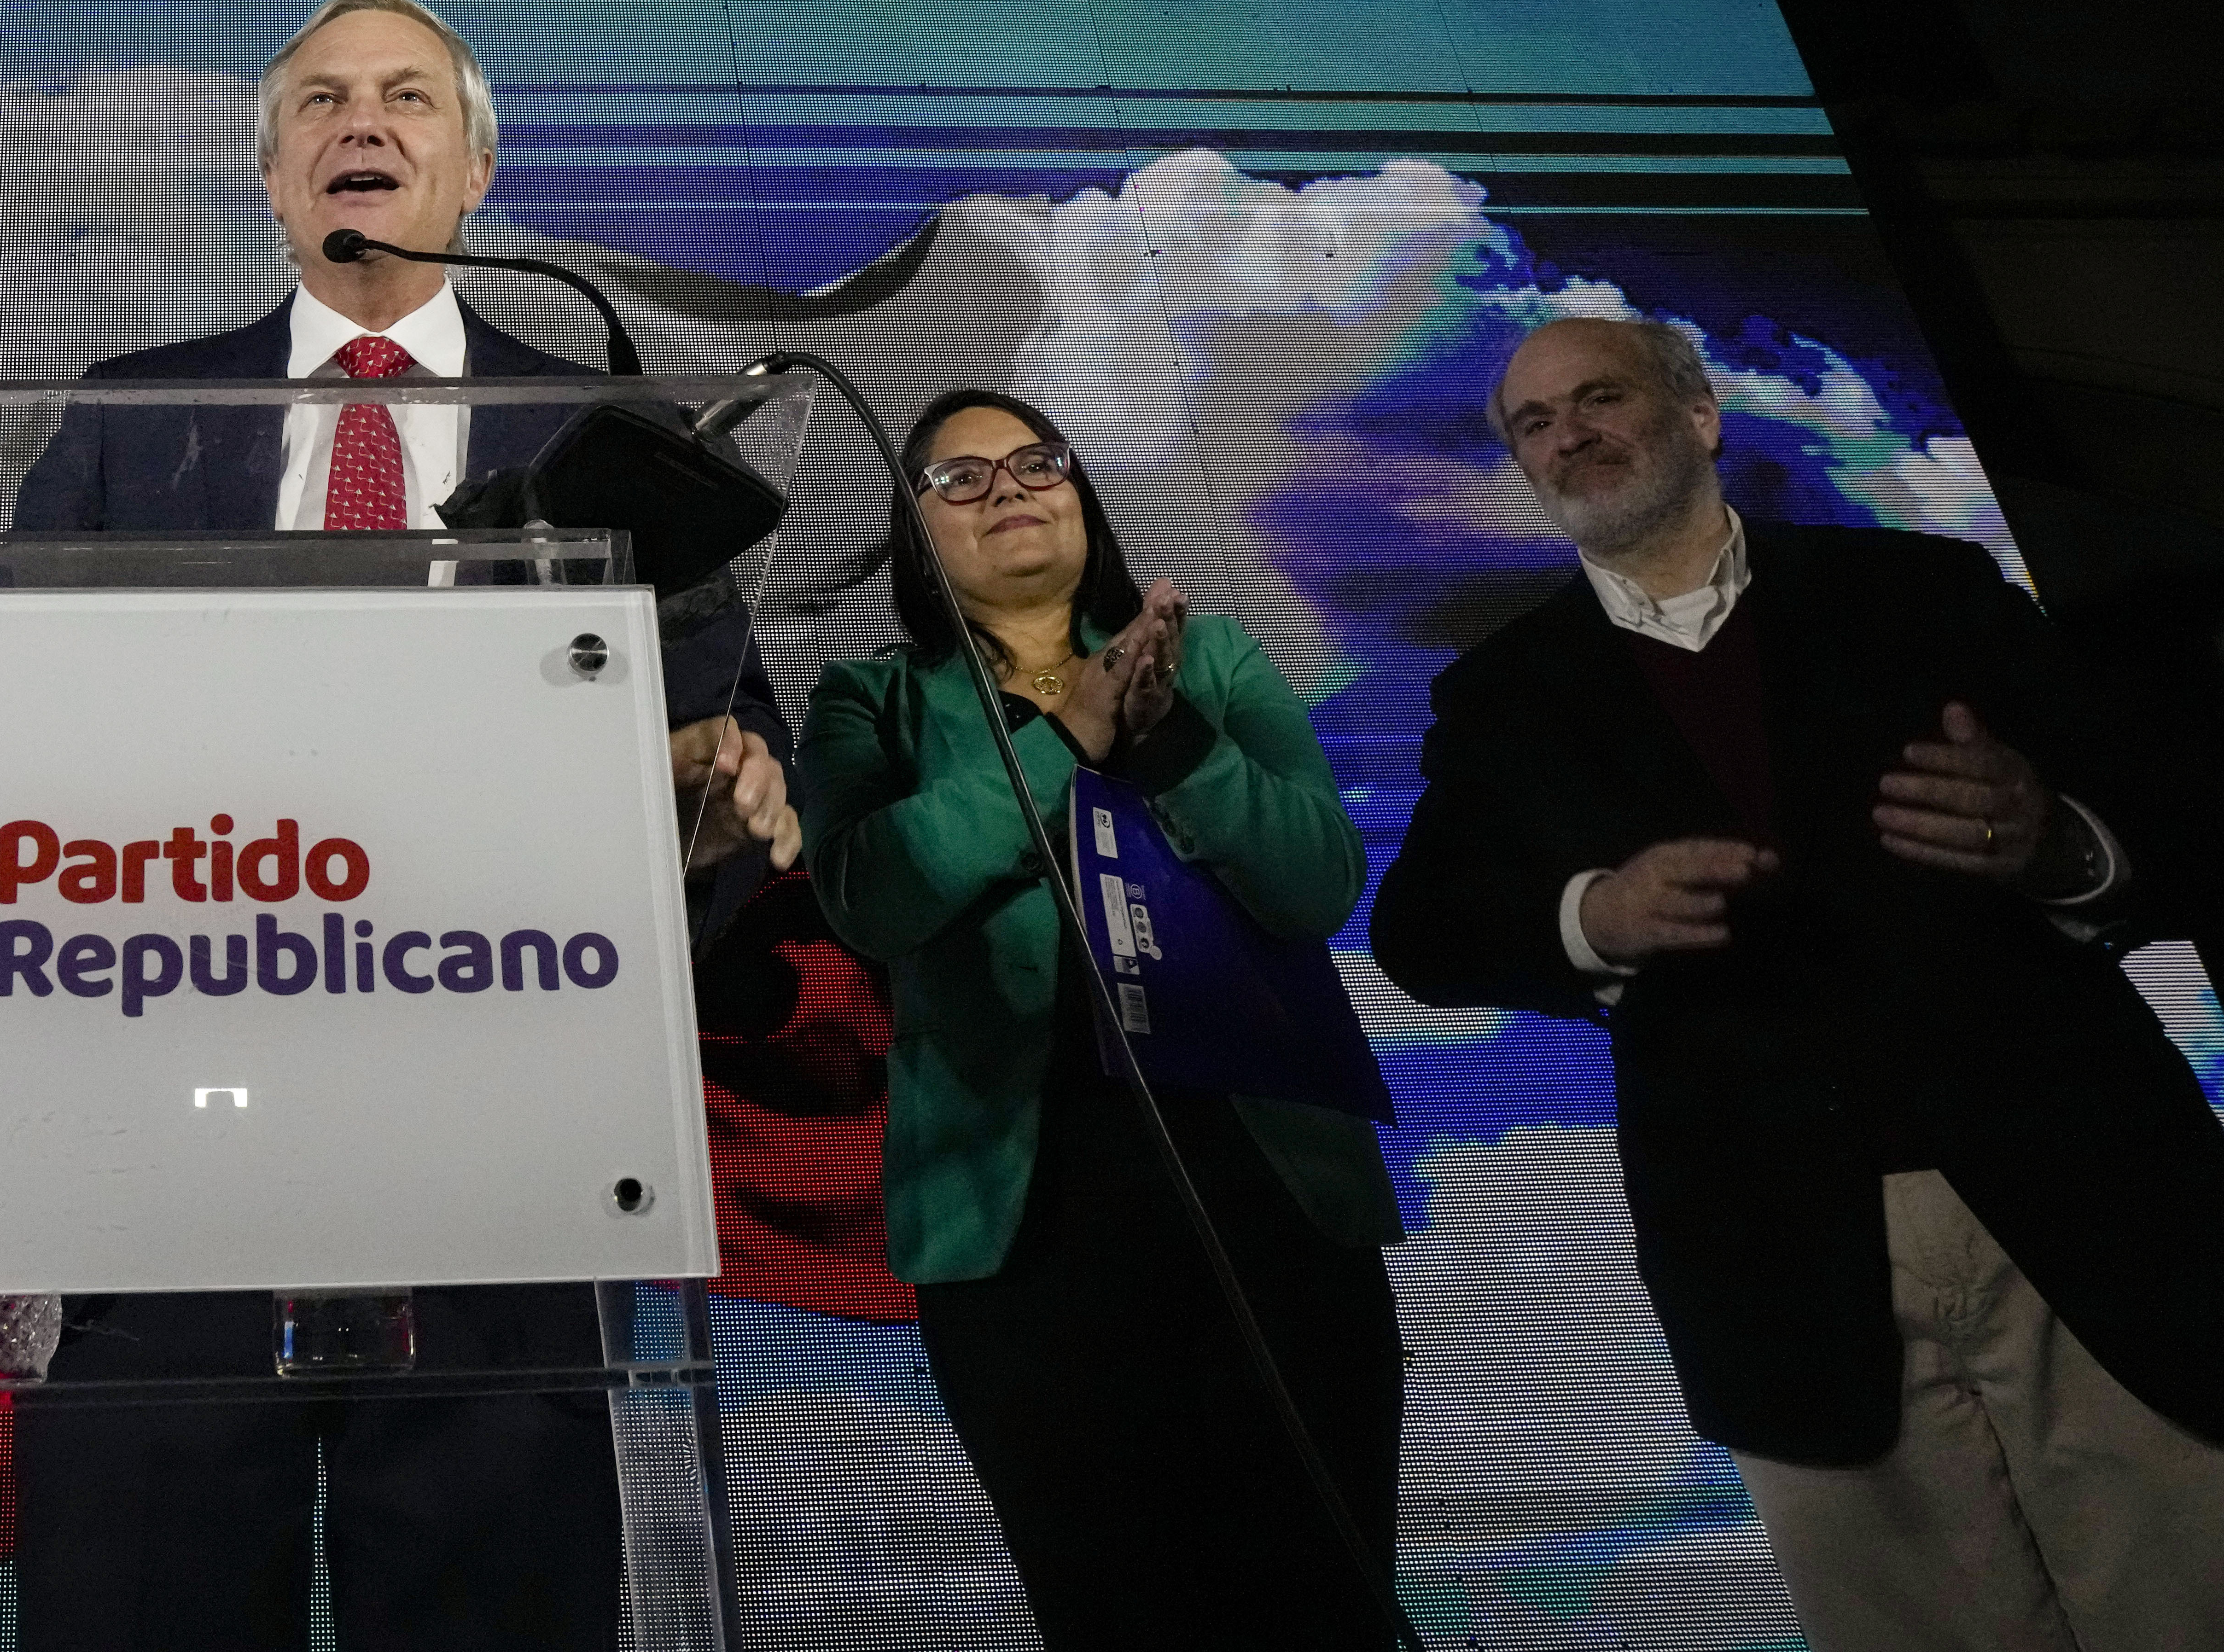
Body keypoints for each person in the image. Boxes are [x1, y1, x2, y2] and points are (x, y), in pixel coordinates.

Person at [0, 0, 797, 1652]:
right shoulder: (139, 413)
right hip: (167, 1161)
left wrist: (712, 814)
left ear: (474, 165)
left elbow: (729, 752)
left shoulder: (605, 436)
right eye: (325, 105)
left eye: (410, 99)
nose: (366, 125)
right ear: (275, 181)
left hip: (498, 1165)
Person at [1370, 314, 2224, 1649]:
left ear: (1700, 416)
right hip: (1776, 1259)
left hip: (2087, 1194)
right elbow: (1427, 931)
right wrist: (1599, 914)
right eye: (1533, 423)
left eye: (1599, 396)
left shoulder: (1927, 591)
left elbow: (2185, 818)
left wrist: (2056, 835)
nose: (1567, 434)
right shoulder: (1504, 695)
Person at [798, 385, 1406, 1651]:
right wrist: (1067, 733)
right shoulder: (875, 704)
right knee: (1115, 1610)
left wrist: (1171, 738)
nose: (1008, 486)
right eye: (959, 479)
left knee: (1322, 1606)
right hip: (1028, 1232)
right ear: (916, 537)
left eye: (1035, 461)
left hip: (1269, 1200)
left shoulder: (1216, 663)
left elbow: (1317, 880)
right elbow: (872, 894)